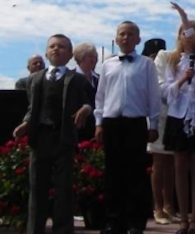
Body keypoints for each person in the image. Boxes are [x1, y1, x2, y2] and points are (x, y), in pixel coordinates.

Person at [13, 34, 93, 234]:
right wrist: (25, 123)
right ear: (47, 53)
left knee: (63, 189)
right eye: (52, 46)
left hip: (63, 138)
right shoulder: (36, 79)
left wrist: (85, 109)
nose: (56, 49)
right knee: (37, 189)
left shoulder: (76, 79)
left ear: (70, 54)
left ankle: (63, 230)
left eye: (62, 47)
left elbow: (89, 102)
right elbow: (33, 107)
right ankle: (35, 229)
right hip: (40, 139)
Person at [95, 22, 161, 234]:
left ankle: (135, 222)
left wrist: (154, 123)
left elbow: (153, 95)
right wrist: (99, 123)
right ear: (116, 38)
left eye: (130, 34)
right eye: (122, 34)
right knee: (113, 174)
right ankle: (114, 221)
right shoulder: (107, 65)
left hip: (136, 122)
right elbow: (101, 96)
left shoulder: (146, 65)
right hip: (112, 122)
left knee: (136, 174)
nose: (125, 37)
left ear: (138, 39)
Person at [164, 5, 195, 234]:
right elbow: (165, 93)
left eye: (193, 32)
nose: (188, 35)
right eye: (185, 32)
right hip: (178, 116)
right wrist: (182, 80)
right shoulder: (173, 61)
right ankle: (182, 217)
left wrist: (185, 17)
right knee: (179, 167)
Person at [144, 38, 177, 225]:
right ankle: (158, 207)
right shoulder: (155, 64)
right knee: (159, 162)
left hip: (173, 114)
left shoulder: (173, 59)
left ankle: (169, 206)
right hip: (157, 115)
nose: (156, 57)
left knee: (172, 162)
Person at [74, 42, 100, 141]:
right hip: (79, 126)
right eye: (90, 56)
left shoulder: (99, 79)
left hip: (97, 126)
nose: (94, 59)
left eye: (95, 56)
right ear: (81, 57)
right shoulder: (70, 77)